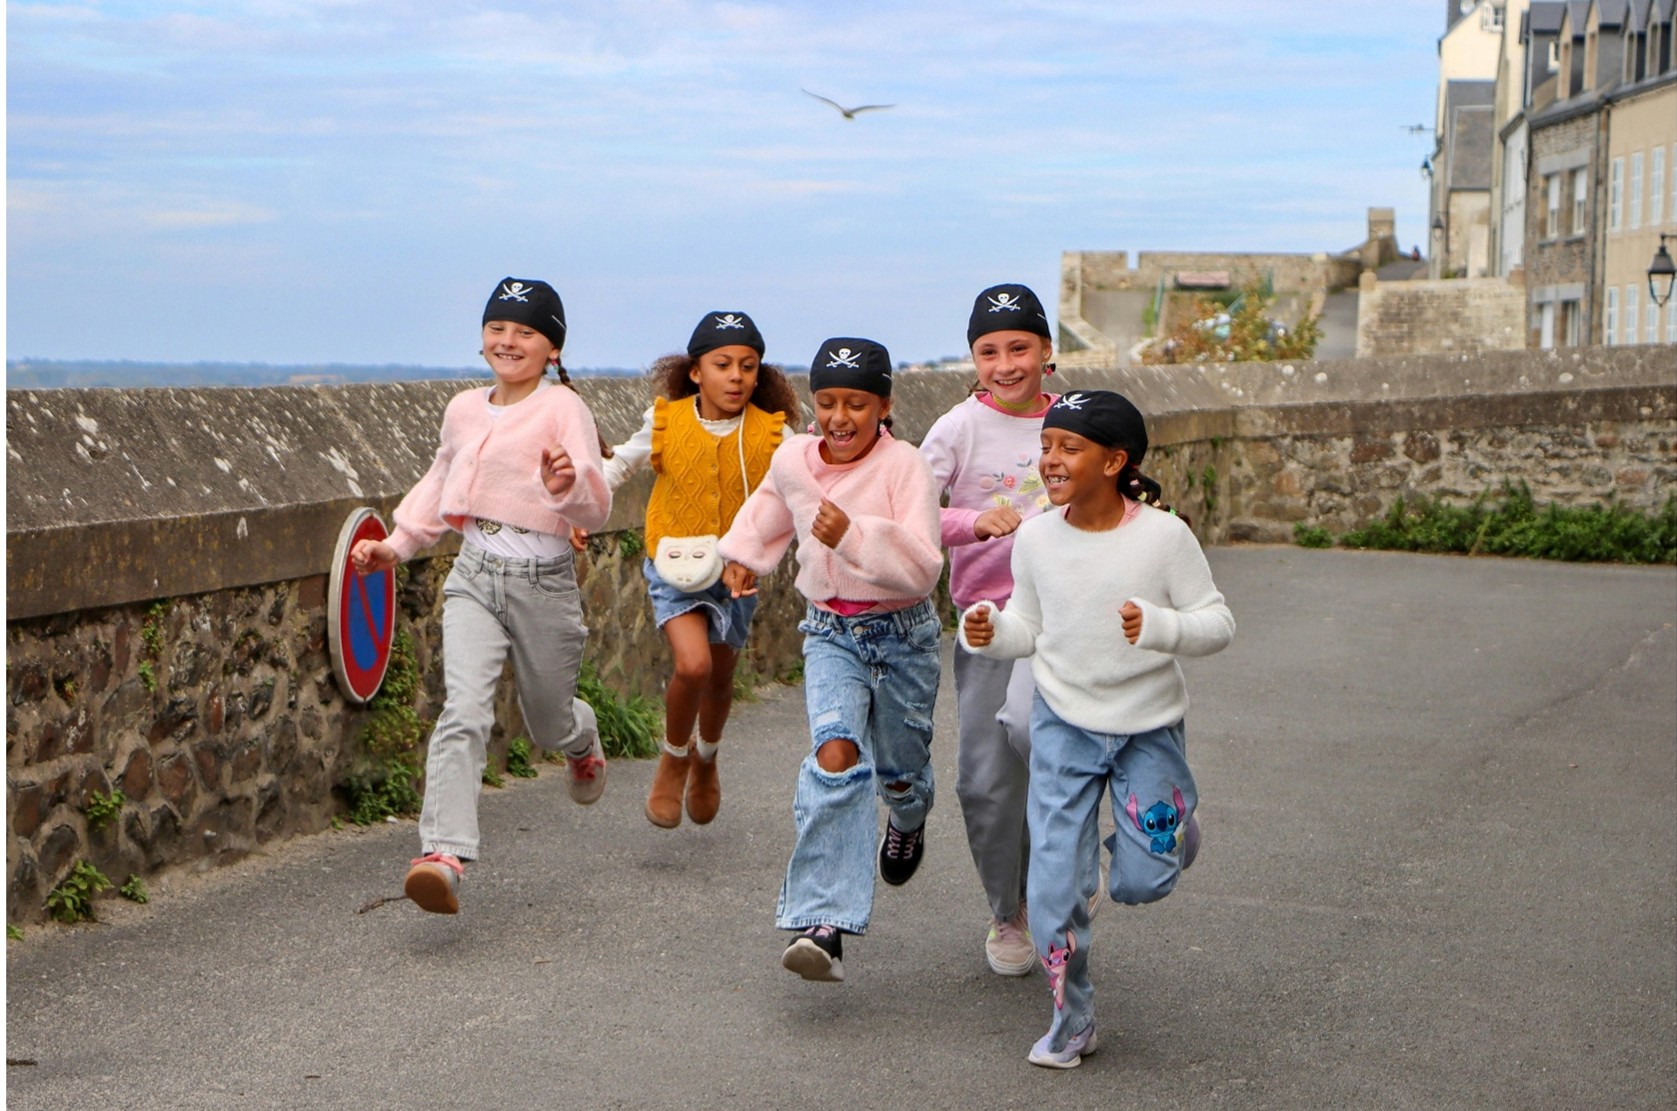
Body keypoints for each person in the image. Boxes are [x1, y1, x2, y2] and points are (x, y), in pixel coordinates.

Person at [959, 389, 1233, 1067]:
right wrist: (990, 632)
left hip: (1146, 727)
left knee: (1142, 880)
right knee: (1055, 890)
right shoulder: (1034, 537)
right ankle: (1070, 1020)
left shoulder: (1164, 537)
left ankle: (1171, 823)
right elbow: (1027, 627)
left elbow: (1217, 622)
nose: (1050, 459)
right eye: (1045, 446)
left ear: (1114, 461)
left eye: (1069, 447)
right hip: (1062, 723)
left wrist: (1160, 625)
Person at [350, 277, 612, 916]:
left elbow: (595, 506)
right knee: (463, 710)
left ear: (553, 348)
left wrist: (565, 485)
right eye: (498, 327)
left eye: (526, 331)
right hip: (474, 575)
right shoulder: (464, 408)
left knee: (548, 723)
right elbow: (442, 477)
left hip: (543, 583)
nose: (508, 340)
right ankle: (443, 855)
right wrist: (397, 544)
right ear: (482, 336)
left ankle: (580, 739)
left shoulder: (564, 409)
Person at [717, 337, 944, 983]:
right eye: (827, 402)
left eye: (856, 404)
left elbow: (924, 566)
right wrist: (743, 556)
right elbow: (769, 507)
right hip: (830, 633)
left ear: (884, 406)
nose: (839, 418)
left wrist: (852, 535)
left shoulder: (905, 467)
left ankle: (908, 814)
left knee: (898, 773)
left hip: (902, 636)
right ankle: (823, 924)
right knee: (835, 754)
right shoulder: (794, 459)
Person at [582, 311, 800, 828]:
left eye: (748, 366)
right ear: (696, 371)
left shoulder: (775, 433)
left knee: (721, 677)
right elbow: (618, 465)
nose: (736, 376)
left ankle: (707, 758)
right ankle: (674, 758)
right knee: (694, 665)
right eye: (722, 365)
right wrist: (576, 509)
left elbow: (804, 492)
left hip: (737, 572)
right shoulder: (666, 420)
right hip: (673, 563)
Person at [919, 282, 1061, 977]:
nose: (1005, 365)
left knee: (1038, 734)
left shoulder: (1075, 420)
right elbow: (908, 509)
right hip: (986, 620)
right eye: (989, 351)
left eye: (1019, 348)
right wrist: (971, 522)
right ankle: (1009, 909)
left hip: (1062, 618)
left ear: (1047, 350)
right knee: (984, 781)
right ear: (973, 358)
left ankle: (1068, 865)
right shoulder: (957, 428)